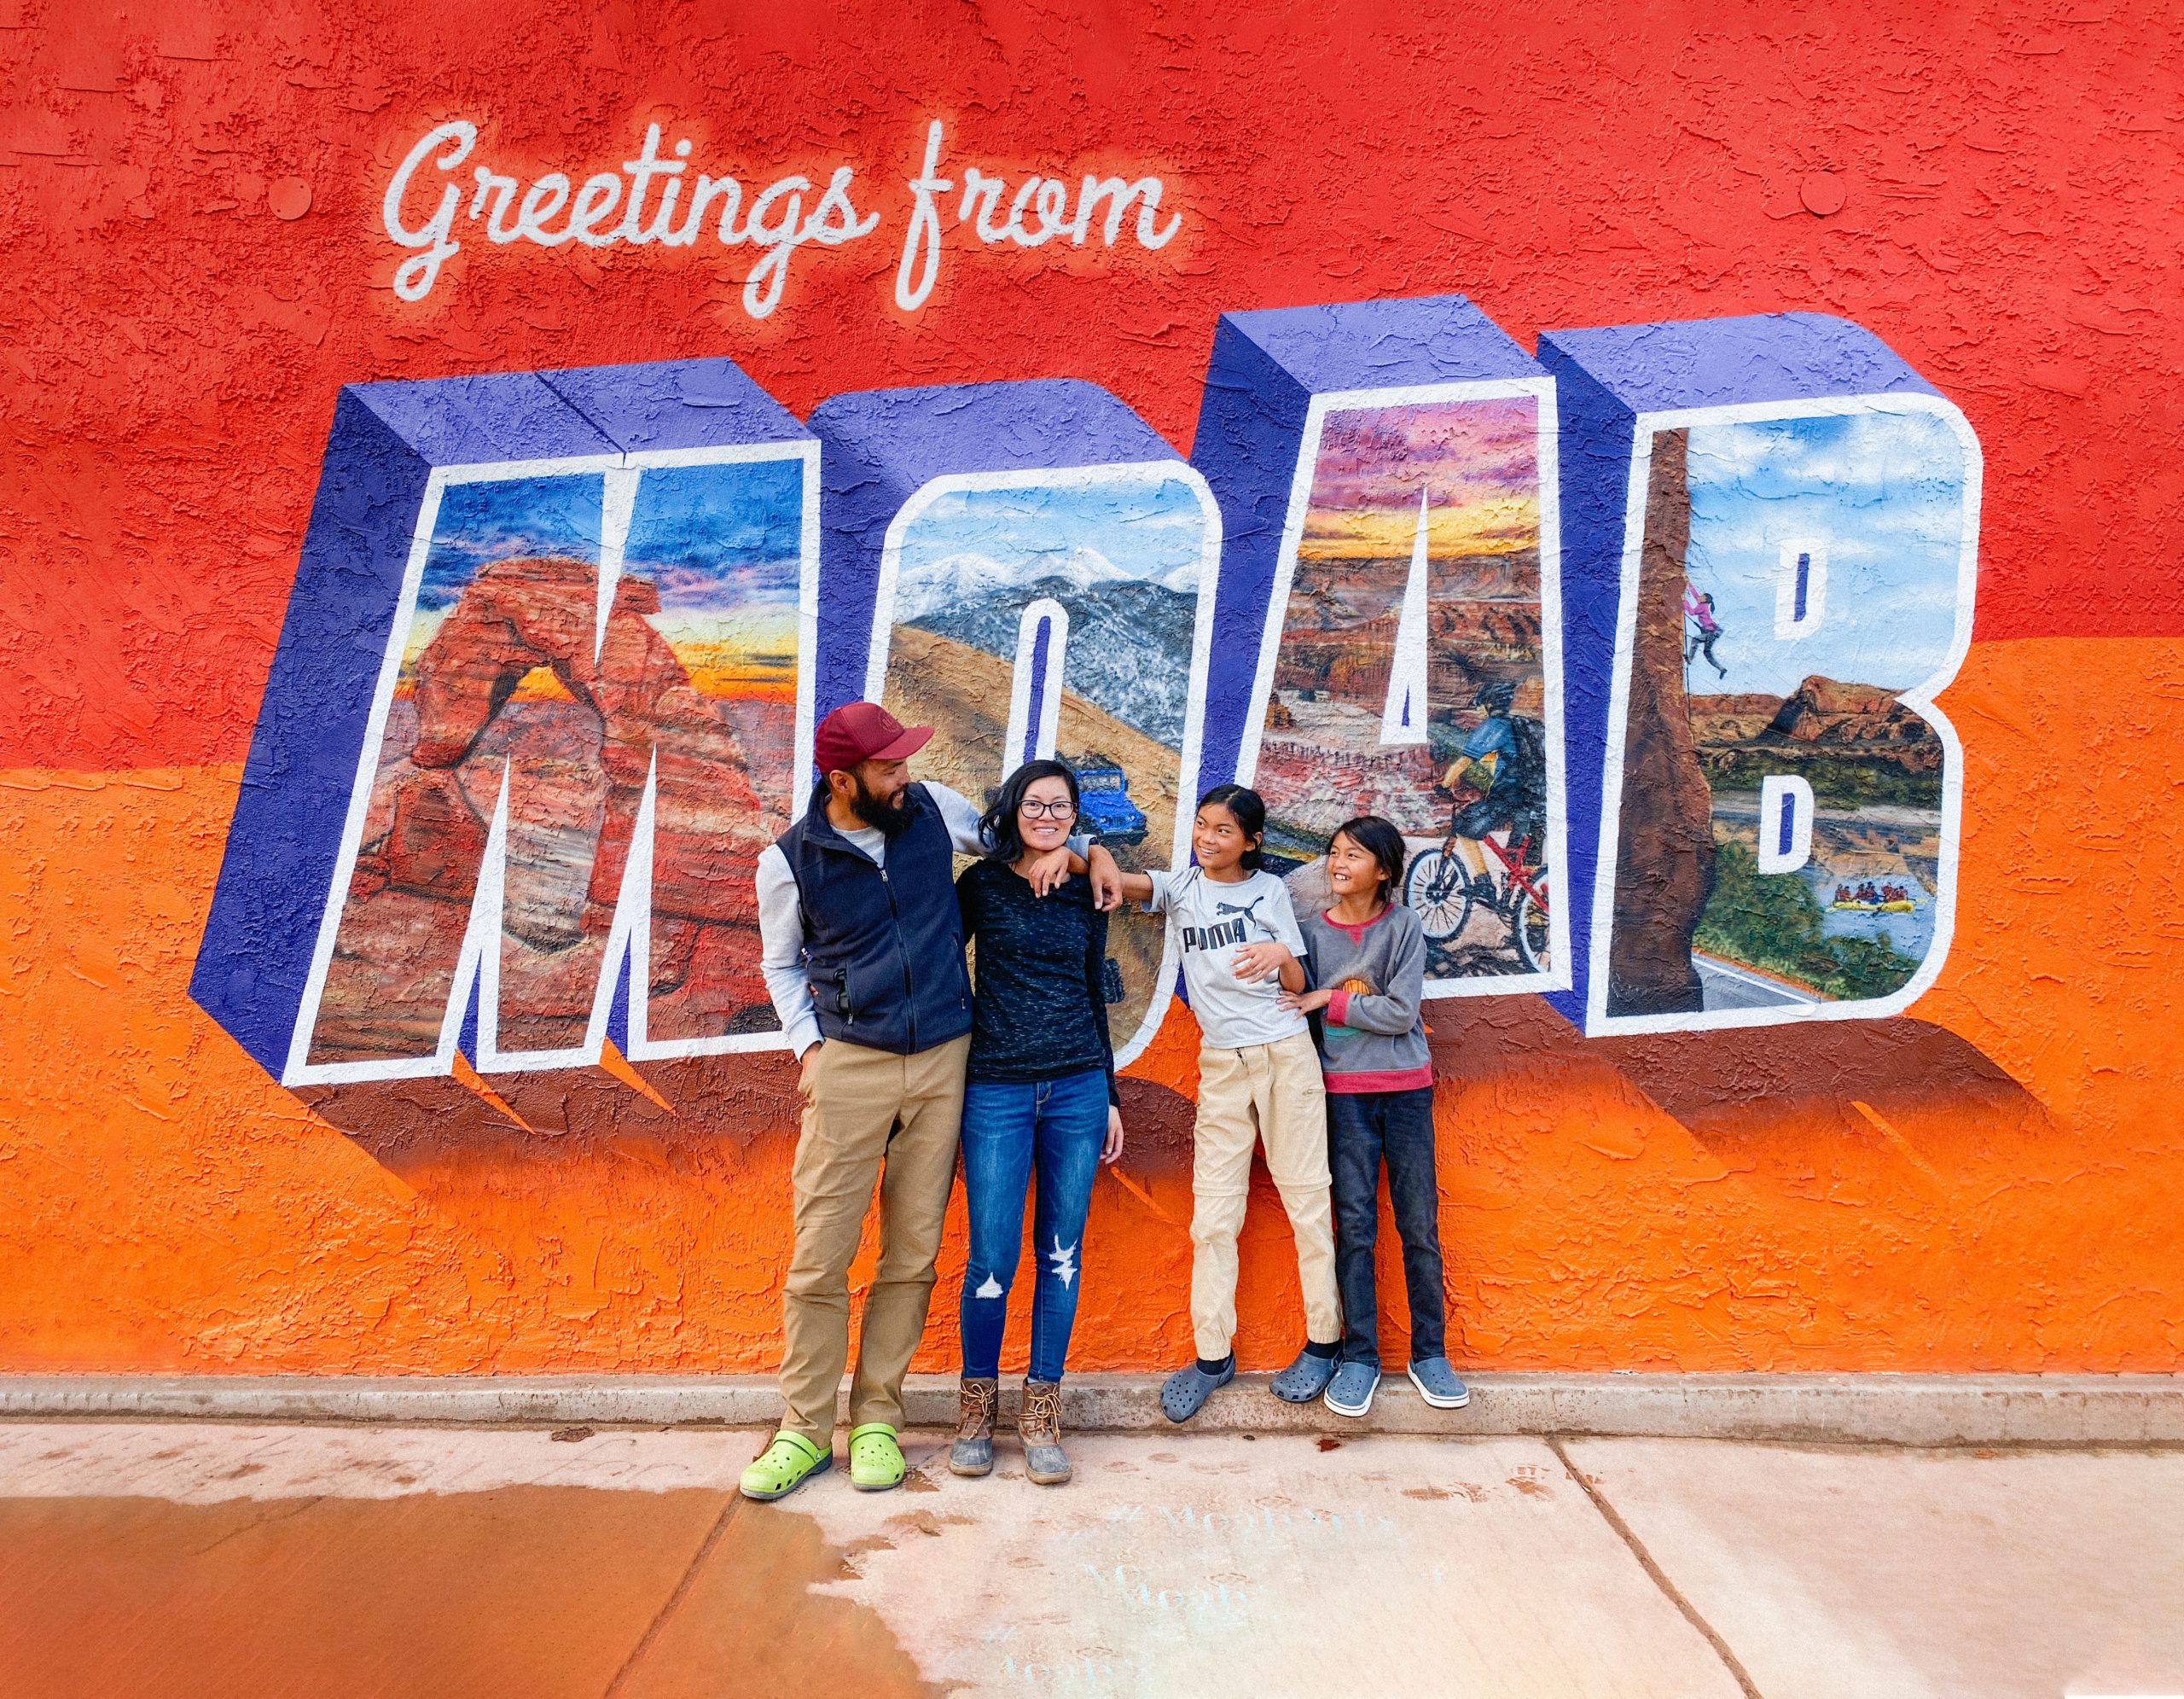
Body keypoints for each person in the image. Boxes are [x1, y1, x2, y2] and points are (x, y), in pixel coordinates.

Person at [739, 702, 1119, 1503]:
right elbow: (780, 965)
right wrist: (812, 1051)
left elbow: (1029, 841)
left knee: (911, 1255)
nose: (905, 777)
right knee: (821, 1256)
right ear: (843, 780)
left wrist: (1096, 854)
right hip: (850, 1062)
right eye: (888, 768)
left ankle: (877, 1418)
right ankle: (803, 1431)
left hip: (949, 1058)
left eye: (907, 762)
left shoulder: (936, 811)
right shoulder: (789, 861)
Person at [1110, 783, 1344, 1422]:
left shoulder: (1268, 892)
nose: (1208, 839)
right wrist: (1085, 858)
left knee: (1307, 1200)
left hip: (1284, 1056)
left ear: (1253, 841)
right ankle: (1213, 1354)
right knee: (1213, 1217)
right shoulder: (1185, 888)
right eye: (1203, 826)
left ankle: (1324, 1340)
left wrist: (1280, 955)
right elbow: (1125, 882)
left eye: (1223, 831)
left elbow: (1298, 983)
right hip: (1222, 1066)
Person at [949, 759, 1127, 1487]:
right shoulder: (981, 886)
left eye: (1061, 806)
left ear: (1075, 815)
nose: (1046, 815)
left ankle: (1042, 1413)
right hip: (994, 1089)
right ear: (1011, 808)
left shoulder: (1088, 886)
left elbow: (1094, 989)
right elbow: (938, 966)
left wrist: (1110, 1090)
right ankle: (975, 1412)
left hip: (1079, 1087)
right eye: (1034, 803)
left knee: (1061, 1252)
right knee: (991, 1255)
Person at [1281, 815, 1468, 1417]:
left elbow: (1400, 1011)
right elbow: (1304, 1006)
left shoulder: (1405, 925)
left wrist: (1329, 999)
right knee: (1354, 1227)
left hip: (1406, 1091)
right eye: (1334, 851)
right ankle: (1360, 1357)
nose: (1339, 863)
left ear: (1383, 870)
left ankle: (1429, 1352)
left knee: (1419, 1224)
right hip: (1344, 1096)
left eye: (1354, 855)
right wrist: (1322, 997)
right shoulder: (1311, 933)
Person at [1440, 680, 1546, 899]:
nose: (1478, 711)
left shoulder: (1496, 725)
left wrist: (1444, 784)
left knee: (1463, 826)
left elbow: (1466, 760)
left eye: (1480, 706)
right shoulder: (1526, 725)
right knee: (1525, 867)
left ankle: (1483, 884)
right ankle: (1529, 926)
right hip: (1538, 802)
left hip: (1510, 798)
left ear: (1488, 704)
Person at [1684, 585, 1728, 678]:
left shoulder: (1702, 607)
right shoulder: (1702, 604)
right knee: (1707, 652)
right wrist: (1688, 584)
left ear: (1705, 600)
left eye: (1702, 597)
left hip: (1711, 633)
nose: (1699, 597)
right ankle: (1721, 669)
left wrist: (1684, 601)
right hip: (1714, 632)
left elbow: (1691, 612)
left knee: (1695, 639)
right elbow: (1695, 594)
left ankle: (1690, 660)